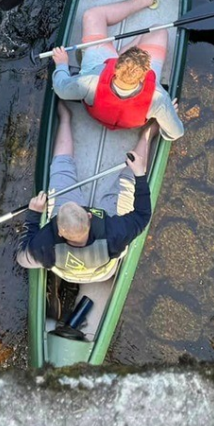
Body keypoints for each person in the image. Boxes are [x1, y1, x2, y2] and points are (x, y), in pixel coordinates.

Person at [16, 104, 155, 340]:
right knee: (127, 182)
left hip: (66, 270)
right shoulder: (113, 231)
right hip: (102, 271)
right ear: (89, 215)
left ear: (59, 228)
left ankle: (65, 119)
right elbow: (142, 216)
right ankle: (147, 135)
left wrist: (33, 215)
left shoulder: (46, 243)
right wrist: (140, 176)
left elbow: (22, 258)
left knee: (62, 171)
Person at [51, 0, 184, 140]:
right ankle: (142, 24)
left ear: (114, 64)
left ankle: (142, 0)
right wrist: (165, 116)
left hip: (96, 95)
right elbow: (176, 133)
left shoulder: (91, 80)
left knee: (93, 16)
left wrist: (61, 64)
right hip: (132, 122)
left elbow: (61, 89)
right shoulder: (159, 98)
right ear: (145, 74)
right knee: (159, 30)